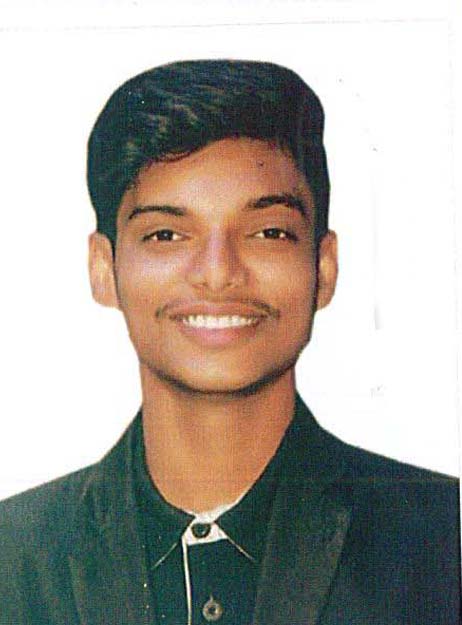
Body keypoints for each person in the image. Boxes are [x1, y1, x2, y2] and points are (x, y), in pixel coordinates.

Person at [0, 59, 459, 625]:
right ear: (103, 269)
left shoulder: (442, 534)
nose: (218, 274)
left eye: (268, 232)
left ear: (323, 268)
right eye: (166, 234)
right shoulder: (12, 559)